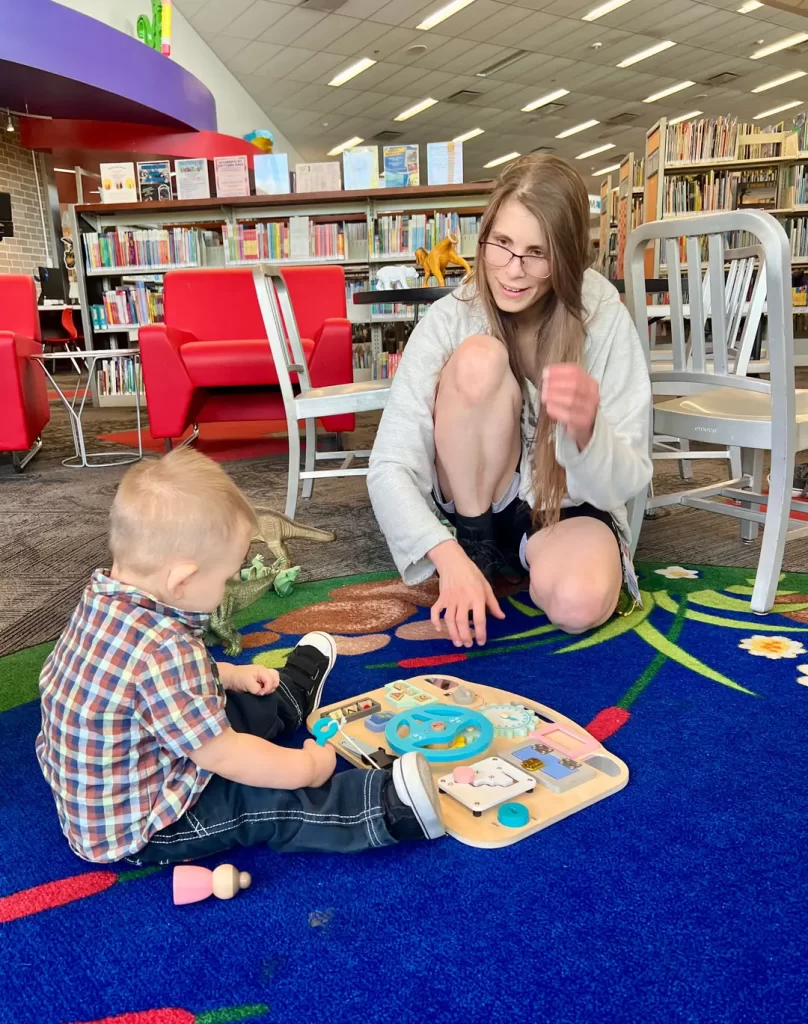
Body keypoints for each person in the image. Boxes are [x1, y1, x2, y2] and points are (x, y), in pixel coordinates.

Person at [36, 448, 444, 865]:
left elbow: (140, 683)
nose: (229, 588)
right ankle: (387, 809)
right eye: (226, 578)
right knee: (257, 799)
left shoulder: (104, 599)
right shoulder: (165, 650)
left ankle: (286, 699)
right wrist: (307, 767)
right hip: (145, 825)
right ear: (183, 580)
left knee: (226, 704)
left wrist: (227, 674)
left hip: (122, 774)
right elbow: (225, 755)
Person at [368, 154, 652, 649]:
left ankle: (528, 558)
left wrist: (588, 432)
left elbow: (626, 481)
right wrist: (448, 556)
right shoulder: (452, 315)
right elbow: (389, 462)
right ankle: (479, 551)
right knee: (479, 357)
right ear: (485, 236)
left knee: (579, 605)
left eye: (537, 253)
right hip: (475, 505)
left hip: (567, 507)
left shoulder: (601, 313)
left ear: (565, 257)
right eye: (501, 244)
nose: (513, 272)